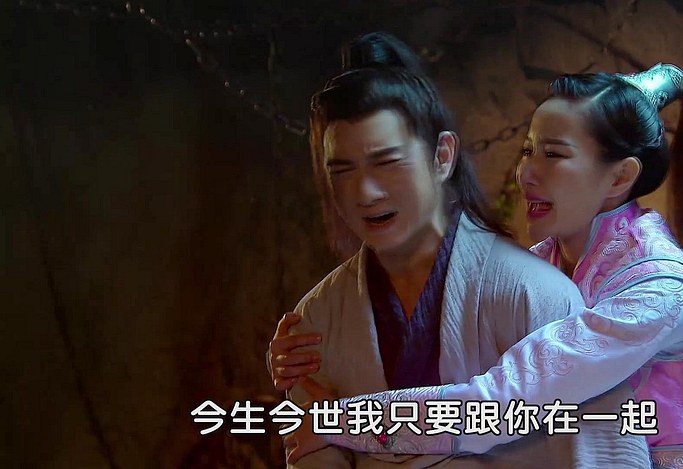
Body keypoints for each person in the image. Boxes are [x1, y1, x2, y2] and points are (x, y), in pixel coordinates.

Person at [279, 63, 683, 469]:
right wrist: (299, 353)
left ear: (619, 178)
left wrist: (335, 421)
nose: (526, 173)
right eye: (528, 150)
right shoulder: (542, 263)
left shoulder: (659, 292)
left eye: (553, 155)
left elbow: (501, 401)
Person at [268, 32, 652, 468]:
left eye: (387, 162)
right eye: (342, 170)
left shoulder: (534, 294)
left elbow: (606, 449)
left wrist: (341, 421)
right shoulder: (318, 319)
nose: (365, 192)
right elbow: (311, 451)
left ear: (442, 157)